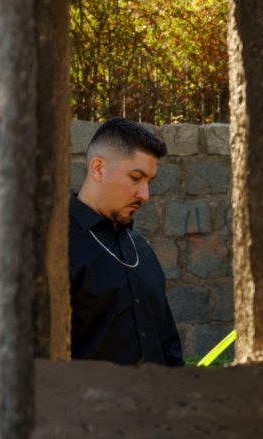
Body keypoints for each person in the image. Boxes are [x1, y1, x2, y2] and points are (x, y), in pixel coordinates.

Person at [69, 117, 184, 367]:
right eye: (135, 177)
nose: (145, 195)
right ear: (98, 169)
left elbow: (168, 344)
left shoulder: (141, 249)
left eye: (149, 182)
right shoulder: (58, 248)